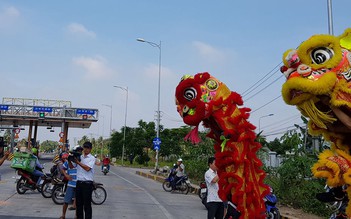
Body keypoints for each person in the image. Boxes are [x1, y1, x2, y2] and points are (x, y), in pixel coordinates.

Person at [74, 141, 96, 219]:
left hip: (87, 183)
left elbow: (87, 168)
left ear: (90, 149)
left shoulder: (92, 158)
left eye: (88, 148)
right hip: (79, 182)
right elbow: (71, 166)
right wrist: (70, 160)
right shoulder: (79, 157)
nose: (86, 149)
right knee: (79, 204)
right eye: (85, 147)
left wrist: (78, 162)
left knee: (87, 204)